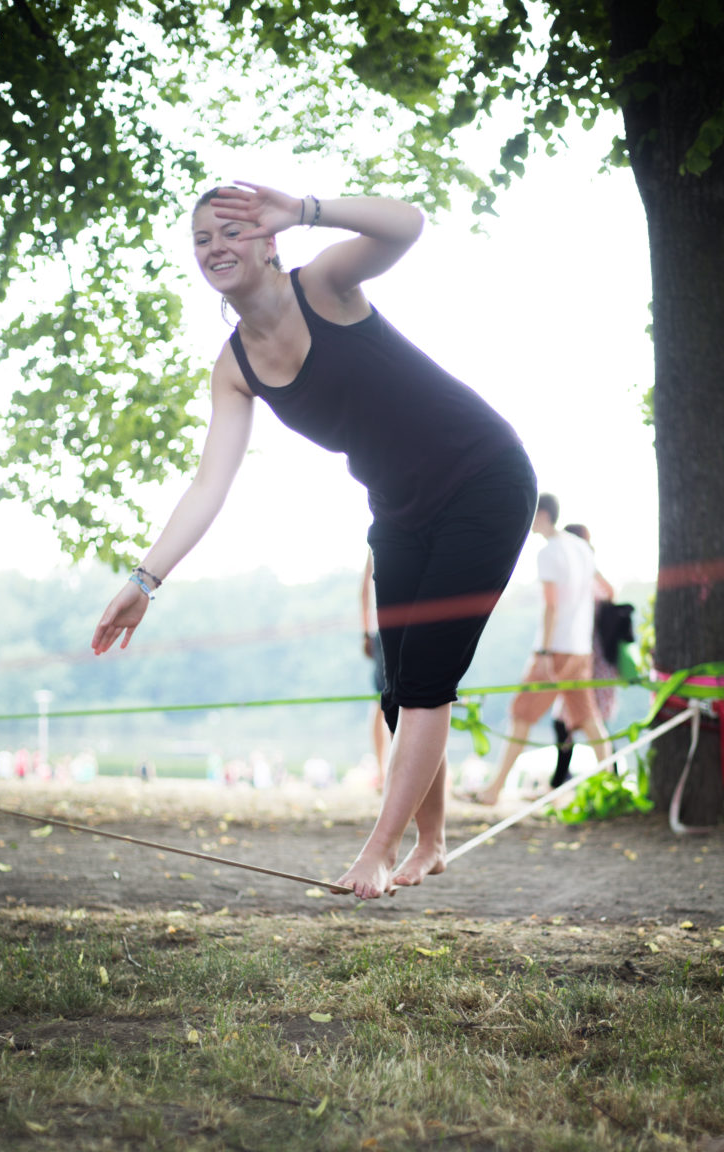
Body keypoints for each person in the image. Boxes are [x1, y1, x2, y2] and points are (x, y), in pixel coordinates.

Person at [91, 181, 537, 898]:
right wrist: (144, 581)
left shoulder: (325, 286)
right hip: (399, 513)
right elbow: (210, 485)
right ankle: (433, 839)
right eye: (202, 239)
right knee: (400, 692)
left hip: (484, 480)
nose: (215, 247)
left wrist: (302, 208)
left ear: (268, 243)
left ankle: (379, 852)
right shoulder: (233, 369)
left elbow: (407, 225)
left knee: (425, 680)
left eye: (230, 231)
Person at [457, 493, 612, 807]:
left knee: (521, 714)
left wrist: (542, 652)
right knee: (588, 718)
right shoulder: (580, 547)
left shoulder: (549, 552)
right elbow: (607, 590)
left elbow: (552, 606)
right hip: (581, 648)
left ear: (541, 514)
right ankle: (611, 784)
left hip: (555, 649)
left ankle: (494, 790)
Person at [549, 523, 615, 789]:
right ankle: (604, 777)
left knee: (587, 722)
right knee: (575, 722)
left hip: (587, 659)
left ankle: (609, 777)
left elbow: (609, 593)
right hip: (585, 657)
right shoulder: (582, 576)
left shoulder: (585, 575)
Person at [361, 549, 390, 790]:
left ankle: (386, 770)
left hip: (384, 629)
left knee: (386, 701)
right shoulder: (376, 539)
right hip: (383, 630)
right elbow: (364, 587)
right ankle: (383, 771)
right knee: (385, 701)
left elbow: (363, 588)